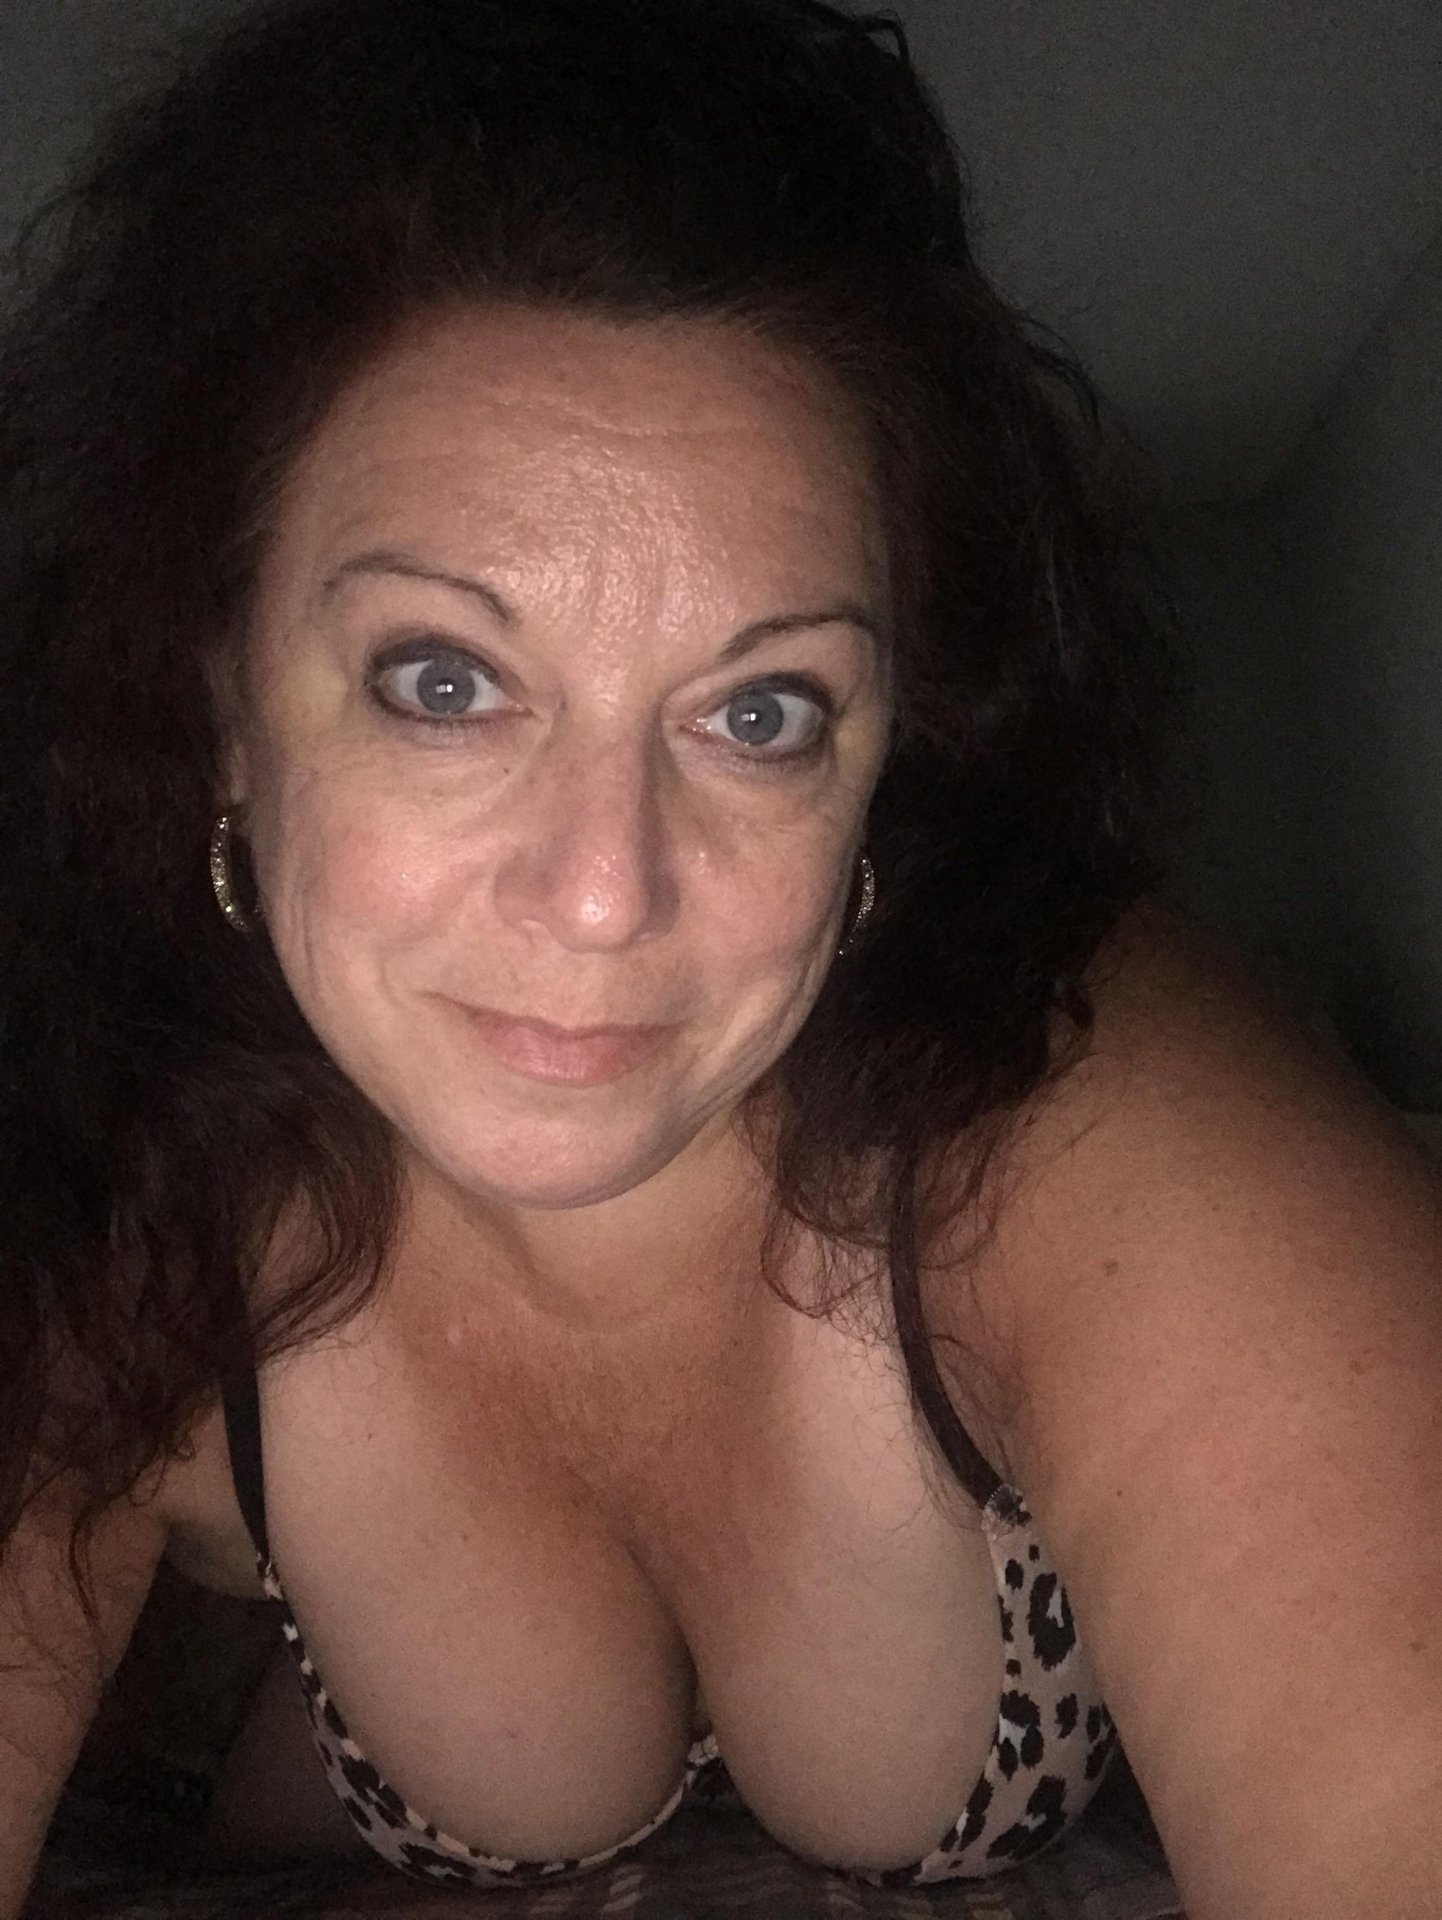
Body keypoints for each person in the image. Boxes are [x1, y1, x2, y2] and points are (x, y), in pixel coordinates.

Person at [1, 1, 1437, 1914]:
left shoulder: (1087, 1131)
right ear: (227, 717)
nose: (606, 894)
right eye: (444, 683)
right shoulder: (112, 1203)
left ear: (886, 761)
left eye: (760, 715)